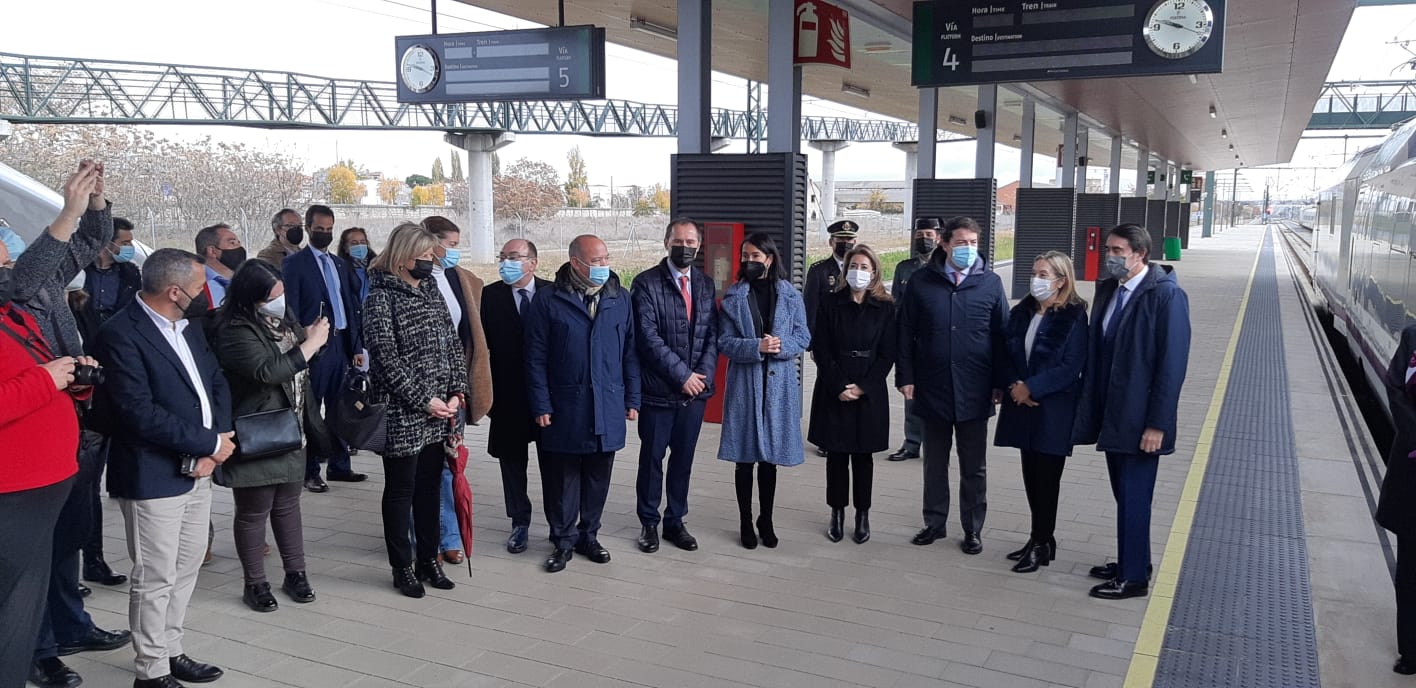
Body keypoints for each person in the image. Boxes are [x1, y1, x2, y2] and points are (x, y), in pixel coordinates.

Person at [12, 162, 134, 688]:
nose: (8, 241)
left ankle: (70, 625)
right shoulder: (16, 289)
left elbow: (92, 239)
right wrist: (66, 209)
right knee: (37, 556)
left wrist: (96, 204)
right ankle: (38, 650)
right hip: (30, 445)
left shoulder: (40, 283)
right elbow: (33, 270)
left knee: (69, 540)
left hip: (74, 431)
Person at [97, 248, 234, 687]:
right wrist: (207, 442)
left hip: (201, 466)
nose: (203, 295)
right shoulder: (120, 333)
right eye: (198, 288)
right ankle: (150, 671)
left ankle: (172, 649)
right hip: (151, 472)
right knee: (155, 576)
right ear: (175, 292)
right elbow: (137, 412)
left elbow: (215, 382)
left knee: (187, 566)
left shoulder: (188, 325)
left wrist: (219, 442)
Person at [0, 206, 92, 688]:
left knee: (20, 614)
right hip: (11, 492)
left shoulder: (11, 315)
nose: (9, 270)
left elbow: (39, 374)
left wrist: (73, 378)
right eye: (2, 264)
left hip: (45, 486)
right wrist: (46, 378)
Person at [1073, 224, 1190, 600]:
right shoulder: (1109, 290)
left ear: (1140, 254)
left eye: (1118, 251)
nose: (1110, 257)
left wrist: (1158, 424)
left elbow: (1171, 367)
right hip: (1113, 412)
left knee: (1135, 494)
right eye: (1109, 249)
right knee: (1124, 494)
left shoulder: (1166, 297)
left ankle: (1134, 579)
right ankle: (1133, 560)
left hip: (1141, 419)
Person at [213, 260, 327, 613]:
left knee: (289, 505)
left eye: (281, 293)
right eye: (271, 297)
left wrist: (307, 338)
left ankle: (296, 573)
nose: (280, 301)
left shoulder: (281, 318)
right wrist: (310, 345)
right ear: (251, 299)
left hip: (292, 428)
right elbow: (268, 371)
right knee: (254, 511)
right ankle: (255, 582)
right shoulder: (232, 329)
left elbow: (294, 361)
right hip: (258, 432)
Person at [362, 223, 468, 598]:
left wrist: (458, 391)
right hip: (405, 413)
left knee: (429, 490)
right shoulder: (380, 297)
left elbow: (453, 345)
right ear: (404, 258)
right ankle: (402, 567)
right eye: (423, 257)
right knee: (400, 491)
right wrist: (424, 399)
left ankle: (429, 560)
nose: (429, 263)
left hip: (440, 411)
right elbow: (386, 362)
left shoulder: (431, 288)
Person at [525, 234, 640, 573]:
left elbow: (630, 353)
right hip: (565, 404)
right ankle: (562, 540)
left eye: (606, 259)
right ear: (576, 262)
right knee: (564, 477)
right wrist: (541, 404)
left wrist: (632, 397)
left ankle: (589, 534)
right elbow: (534, 358)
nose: (604, 265)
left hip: (608, 402)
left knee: (598, 475)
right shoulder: (548, 300)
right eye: (597, 260)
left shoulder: (620, 298)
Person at [896, 216, 1008, 556]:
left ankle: (973, 528)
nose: (968, 249)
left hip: (976, 388)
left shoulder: (990, 283)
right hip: (933, 386)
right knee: (934, 461)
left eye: (973, 242)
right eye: (961, 243)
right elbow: (904, 332)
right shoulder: (921, 281)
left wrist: (1000, 382)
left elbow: (1002, 335)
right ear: (945, 244)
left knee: (974, 465)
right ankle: (934, 522)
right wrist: (906, 376)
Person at [993, 251, 1089, 573]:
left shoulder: (1074, 315)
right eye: (1035, 273)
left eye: (1044, 274)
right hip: (1022, 406)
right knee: (1030, 477)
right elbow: (1006, 352)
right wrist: (1014, 386)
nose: (1036, 279)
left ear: (1061, 281)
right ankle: (1039, 538)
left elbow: (1071, 366)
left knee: (1048, 480)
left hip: (1053, 410)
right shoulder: (1023, 312)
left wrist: (1032, 388)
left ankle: (1042, 541)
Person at [717, 232, 811, 550]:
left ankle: (765, 520)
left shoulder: (789, 295)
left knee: (769, 459)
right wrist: (756, 345)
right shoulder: (734, 296)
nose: (749, 261)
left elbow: (803, 335)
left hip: (779, 384)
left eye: (755, 256)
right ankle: (745, 520)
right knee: (744, 459)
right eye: (745, 256)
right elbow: (724, 342)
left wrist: (781, 346)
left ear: (769, 258)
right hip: (745, 384)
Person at [631, 217, 718, 554]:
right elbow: (647, 338)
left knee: (683, 459)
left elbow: (711, 333)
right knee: (652, 459)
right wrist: (682, 376)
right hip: (659, 391)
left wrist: (702, 376)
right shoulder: (646, 283)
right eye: (679, 241)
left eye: (691, 242)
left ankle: (675, 521)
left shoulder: (706, 284)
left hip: (694, 394)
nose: (686, 247)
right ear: (667, 243)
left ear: (699, 245)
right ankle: (649, 523)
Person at [807, 244, 896, 545]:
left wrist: (863, 387)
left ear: (874, 273)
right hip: (835, 385)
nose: (859, 272)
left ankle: (862, 514)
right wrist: (840, 385)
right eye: (853, 266)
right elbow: (821, 348)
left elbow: (887, 354)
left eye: (864, 267)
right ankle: (837, 512)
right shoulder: (831, 303)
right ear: (846, 271)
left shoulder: (885, 307)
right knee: (836, 455)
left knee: (863, 457)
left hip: (869, 389)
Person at [422, 216, 494, 566]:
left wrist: (460, 388)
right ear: (429, 242)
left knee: (452, 463)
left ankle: (449, 535)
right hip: (420, 390)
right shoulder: (401, 278)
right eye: (450, 244)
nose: (455, 251)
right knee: (422, 466)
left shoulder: (461, 279)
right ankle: (424, 536)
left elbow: (466, 336)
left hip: (455, 386)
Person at [281, 205, 366, 493]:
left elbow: (349, 307)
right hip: (315, 346)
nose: (325, 234)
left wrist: (355, 345)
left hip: (341, 343)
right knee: (312, 411)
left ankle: (340, 465)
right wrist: (304, 342)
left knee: (341, 407)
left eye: (329, 230)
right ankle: (310, 470)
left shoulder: (339, 264)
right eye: (319, 229)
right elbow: (289, 308)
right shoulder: (295, 264)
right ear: (307, 228)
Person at [76, 216, 141, 589]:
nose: (128, 247)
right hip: (87, 386)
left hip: (123, 379)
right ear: (104, 242)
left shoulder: (132, 274)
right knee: (86, 480)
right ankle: (90, 557)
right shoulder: (75, 277)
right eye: (123, 241)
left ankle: (99, 560)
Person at [482, 239, 555, 554]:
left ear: (533, 262)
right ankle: (519, 521)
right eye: (503, 257)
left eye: (514, 257)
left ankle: (559, 524)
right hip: (507, 397)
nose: (506, 263)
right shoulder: (489, 296)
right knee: (512, 464)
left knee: (554, 464)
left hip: (549, 398)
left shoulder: (553, 294)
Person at [887, 217, 940, 462]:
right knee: (910, 392)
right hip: (910, 340)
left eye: (928, 234)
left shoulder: (946, 267)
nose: (924, 239)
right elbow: (895, 305)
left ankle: (936, 445)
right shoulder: (904, 268)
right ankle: (911, 443)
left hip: (938, 341)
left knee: (936, 395)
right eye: (919, 235)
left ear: (939, 237)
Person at [1380, 325, 1416, 675]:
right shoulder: (1413, 336)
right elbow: (1395, 388)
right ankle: (1411, 649)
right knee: (1409, 565)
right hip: (1412, 471)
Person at [194, 223, 246, 307]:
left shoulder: (246, 280)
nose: (239, 247)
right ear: (212, 251)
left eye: (239, 242)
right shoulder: (195, 287)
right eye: (232, 243)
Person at [337, 227, 376, 304]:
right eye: (354, 243)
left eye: (362, 242)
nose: (359, 246)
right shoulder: (340, 272)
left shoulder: (377, 270)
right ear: (345, 248)